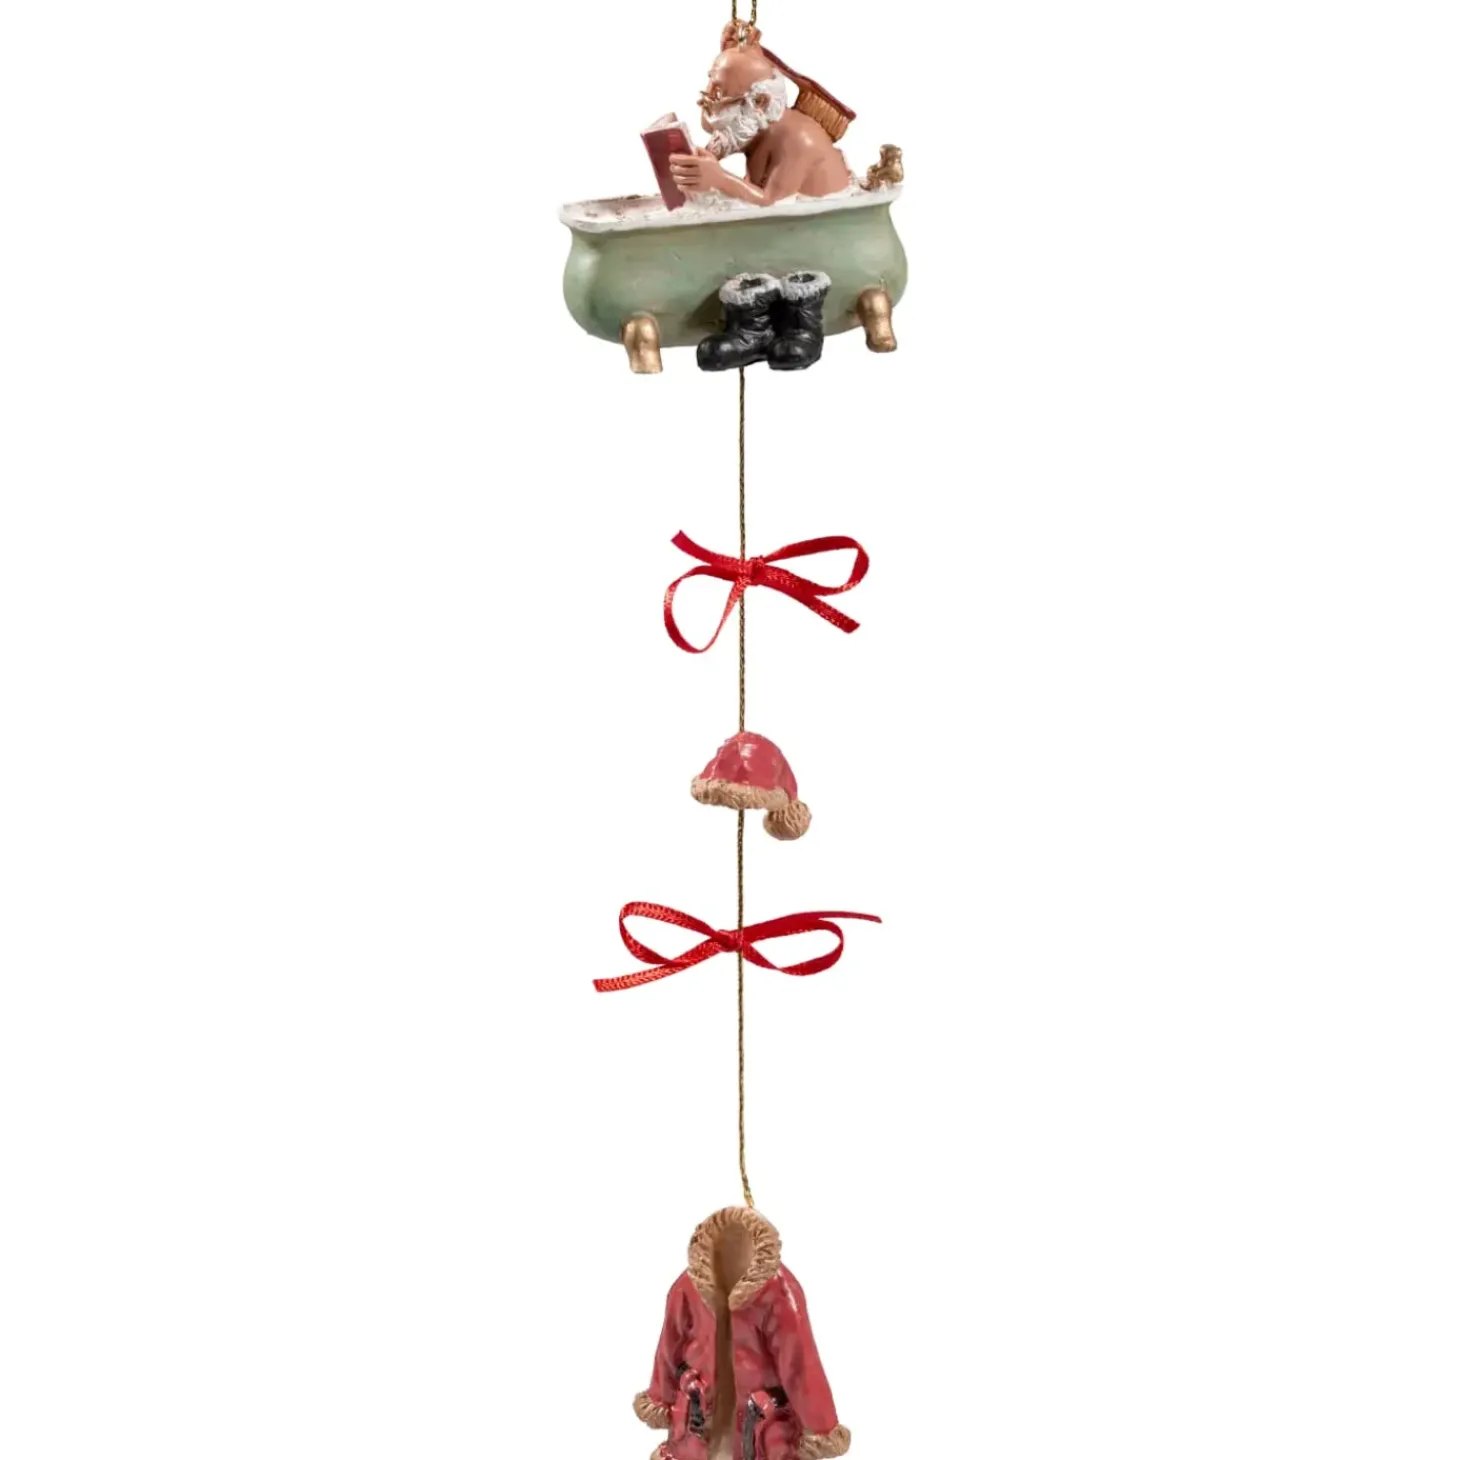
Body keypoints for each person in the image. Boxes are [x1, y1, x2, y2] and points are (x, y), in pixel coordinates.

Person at [669, 26, 853, 206]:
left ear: (759, 102)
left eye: (718, 92)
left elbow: (773, 204)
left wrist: (719, 179)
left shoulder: (798, 140)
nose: (704, 101)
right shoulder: (753, 127)